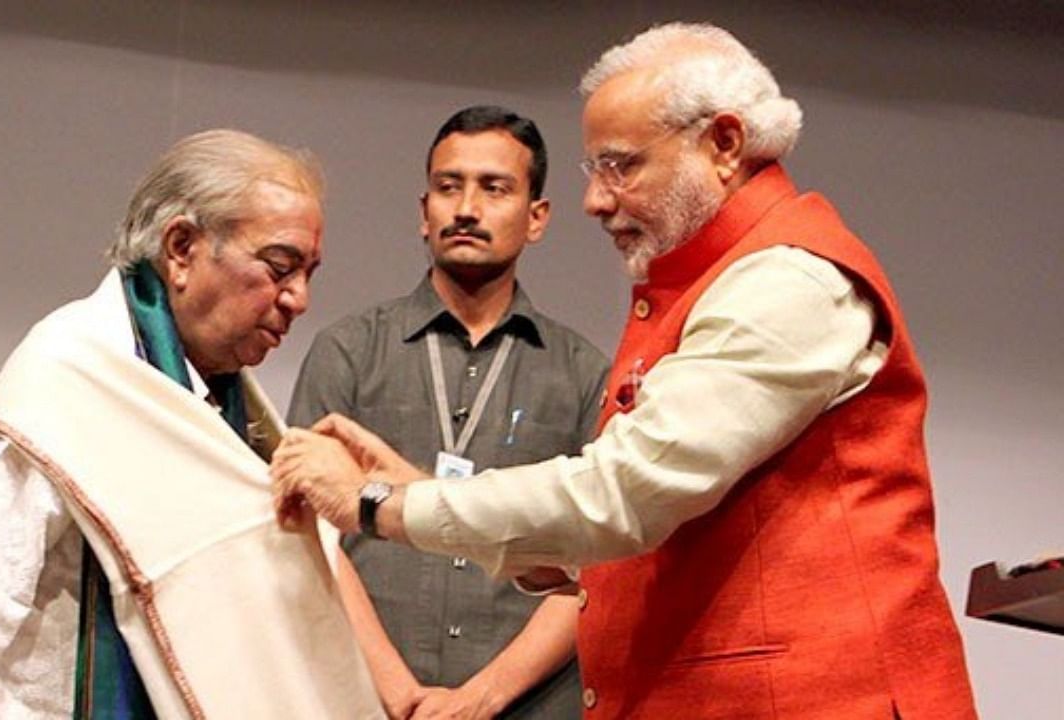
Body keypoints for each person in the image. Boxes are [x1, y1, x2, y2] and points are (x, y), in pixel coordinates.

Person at [273, 23, 978, 719]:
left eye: (621, 165)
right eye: (594, 171)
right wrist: (422, 493)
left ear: (723, 145)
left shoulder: (786, 281)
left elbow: (624, 497)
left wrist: (382, 506)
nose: (597, 200)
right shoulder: (730, 280)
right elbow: (647, 532)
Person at [0, 130, 382, 719]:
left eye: (310, 273)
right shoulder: (68, 382)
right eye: (280, 268)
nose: (299, 299)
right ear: (181, 248)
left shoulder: (240, 421)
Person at [288, 106, 608, 719]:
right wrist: (401, 695)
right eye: (448, 186)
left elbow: (598, 564)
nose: (466, 208)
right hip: (359, 697)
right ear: (423, 212)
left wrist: (479, 699)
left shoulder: (584, 372)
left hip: (527, 705)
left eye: (495, 188)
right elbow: (309, 533)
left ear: (536, 217)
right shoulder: (349, 352)